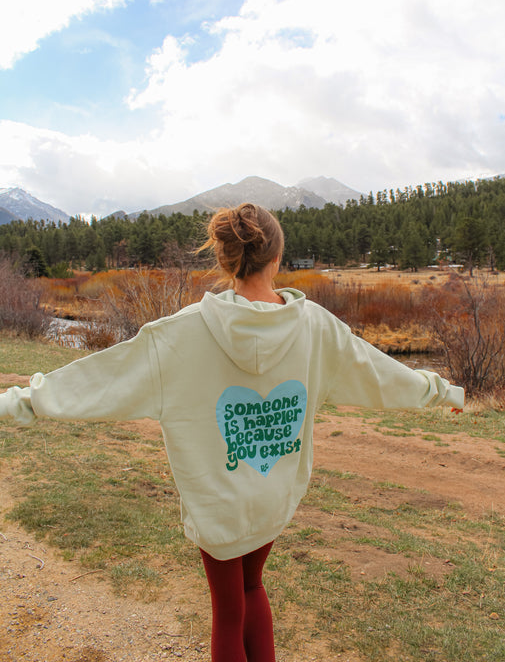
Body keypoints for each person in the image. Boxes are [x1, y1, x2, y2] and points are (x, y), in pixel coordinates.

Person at [0, 203, 464, 662]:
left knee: (227, 612)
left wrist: (21, 401)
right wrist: (442, 391)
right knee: (253, 585)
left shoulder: (177, 336)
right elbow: (379, 374)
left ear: (224, 261)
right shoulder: (317, 328)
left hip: (218, 504)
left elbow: (101, 379)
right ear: (278, 258)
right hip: (273, 496)